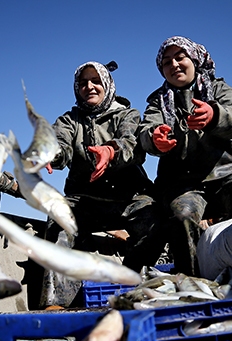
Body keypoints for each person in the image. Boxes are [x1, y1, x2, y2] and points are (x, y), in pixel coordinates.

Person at [39, 60, 161, 308]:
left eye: (96, 81)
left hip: (130, 197)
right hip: (85, 200)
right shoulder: (68, 120)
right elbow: (60, 146)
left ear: (107, 85)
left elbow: (132, 145)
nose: (89, 87)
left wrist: (111, 151)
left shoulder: (128, 114)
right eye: (83, 83)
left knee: (157, 220)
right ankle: (57, 304)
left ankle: (137, 288)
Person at [138, 36, 232, 276]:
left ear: (195, 60)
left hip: (230, 173)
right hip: (184, 185)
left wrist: (215, 115)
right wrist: (155, 138)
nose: (173, 65)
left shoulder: (218, 89)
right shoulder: (158, 102)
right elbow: (146, 130)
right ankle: (194, 281)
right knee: (181, 216)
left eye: (180, 57)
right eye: (166, 62)